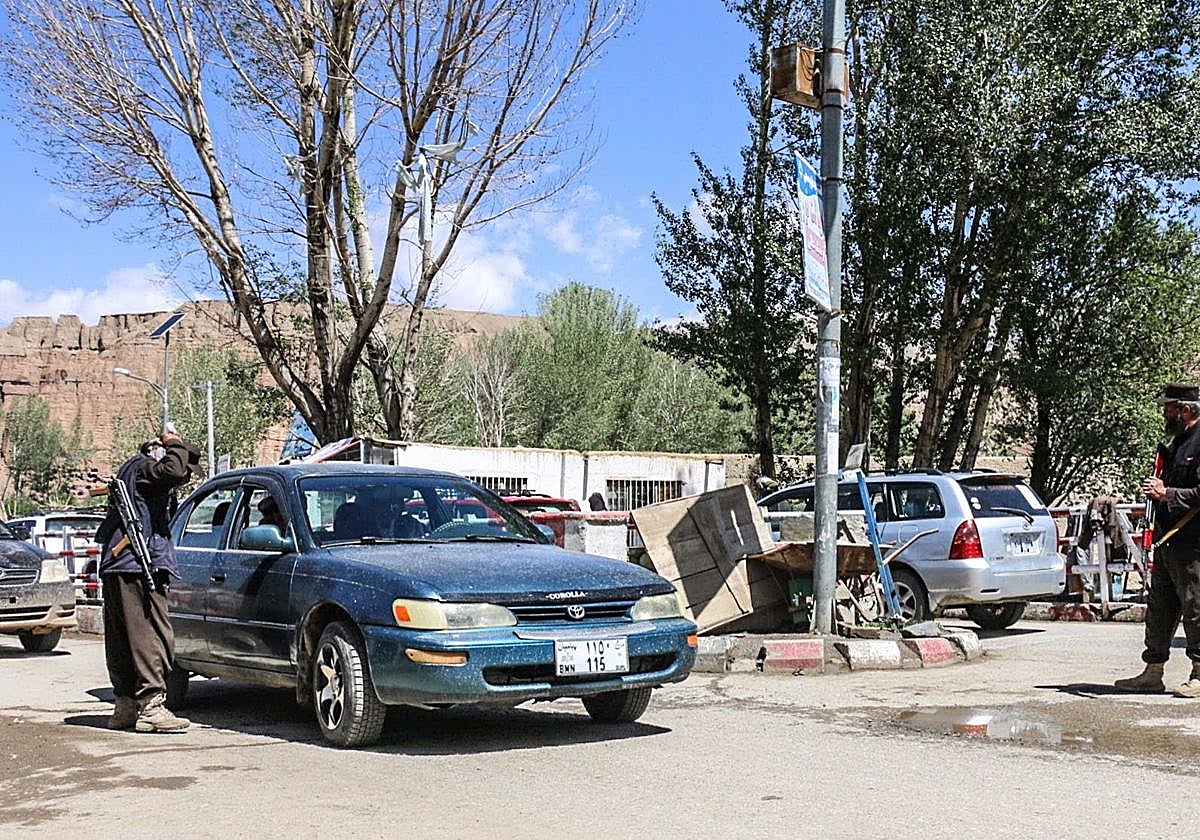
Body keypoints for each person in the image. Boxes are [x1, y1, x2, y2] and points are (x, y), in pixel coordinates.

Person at [95, 429, 201, 732]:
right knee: (150, 635)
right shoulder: (145, 468)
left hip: (122, 564)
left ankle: (126, 705)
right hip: (136, 565)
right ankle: (151, 705)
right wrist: (175, 444)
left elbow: (179, 471)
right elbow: (175, 469)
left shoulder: (137, 470)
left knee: (125, 636)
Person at [1115, 383, 1200, 697]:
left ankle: (1199, 674)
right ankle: (1153, 672)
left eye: (1169, 407)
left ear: (1186, 409)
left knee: (1196, 608)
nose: (1165, 413)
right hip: (1168, 541)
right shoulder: (1177, 443)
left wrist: (1168, 493)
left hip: (1193, 542)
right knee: (1160, 609)